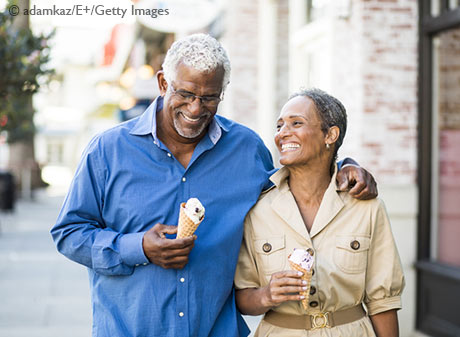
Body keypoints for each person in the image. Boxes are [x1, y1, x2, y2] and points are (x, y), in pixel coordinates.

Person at [51, 35, 378, 337]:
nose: (196, 109)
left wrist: (344, 164)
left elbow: (296, 187)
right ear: (164, 83)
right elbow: (69, 233)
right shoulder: (109, 150)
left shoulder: (245, 149)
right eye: (186, 94)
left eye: (209, 98)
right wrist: (138, 248)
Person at [234, 88, 405, 337]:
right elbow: (242, 296)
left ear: (330, 135)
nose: (282, 133)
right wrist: (266, 295)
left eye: (296, 123)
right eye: (280, 125)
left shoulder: (367, 207)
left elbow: (383, 302)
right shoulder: (258, 209)